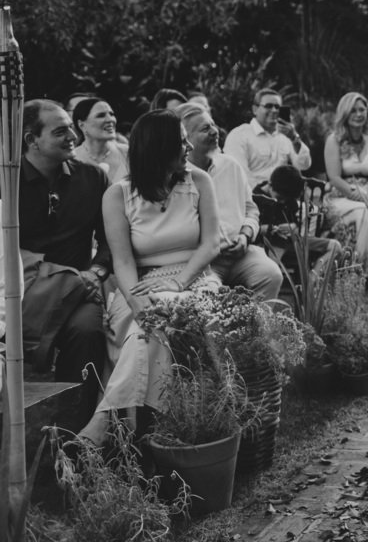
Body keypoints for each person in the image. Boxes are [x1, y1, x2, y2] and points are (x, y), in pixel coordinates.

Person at [80, 110, 224, 443]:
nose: (188, 145)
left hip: (195, 278)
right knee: (150, 324)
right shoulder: (118, 195)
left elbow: (211, 244)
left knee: (157, 319)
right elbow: (123, 262)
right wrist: (137, 300)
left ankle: (104, 422)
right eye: (180, 140)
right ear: (159, 148)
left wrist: (178, 283)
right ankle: (159, 430)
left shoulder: (199, 181)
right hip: (139, 283)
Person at [18, 99, 110, 416]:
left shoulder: (94, 179)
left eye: (71, 126)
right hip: (16, 292)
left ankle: (72, 437)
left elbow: (111, 240)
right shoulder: (6, 182)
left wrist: (96, 271)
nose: (73, 136)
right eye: (61, 131)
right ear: (32, 140)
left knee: (87, 331)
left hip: (76, 290)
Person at [175, 102, 282, 300]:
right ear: (185, 139)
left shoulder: (230, 165)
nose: (215, 132)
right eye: (205, 129)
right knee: (208, 294)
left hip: (241, 252)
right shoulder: (176, 178)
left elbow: (251, 209)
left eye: (213, 125)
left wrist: (245, 235)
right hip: (202, 261)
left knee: (271, 274)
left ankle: (255, 328)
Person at [324, 92, 368, 262]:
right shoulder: (334, 140)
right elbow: (334, 177)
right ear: (345, 113)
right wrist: (354, 193)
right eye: (353, 110)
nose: (359, 114)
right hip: (340, 195)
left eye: (362, 110)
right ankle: (355, 265)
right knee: (361, 212)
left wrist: (367, 189)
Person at [224, 88, 312, 185]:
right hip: (253, 196)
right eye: (268, 106)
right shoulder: (239, 136)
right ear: (255, 109)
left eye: (277, 107)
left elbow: (304, 165)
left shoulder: (286, 136)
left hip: (283, 195)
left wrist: (295, 139)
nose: (274, 110)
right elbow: (241, 176)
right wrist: (264, 194)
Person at [71, 97, 129, 186]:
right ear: (82, 125)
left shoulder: (127, 152)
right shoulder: (72, 159)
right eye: (101, 115)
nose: (110, 119)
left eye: (111, 114)